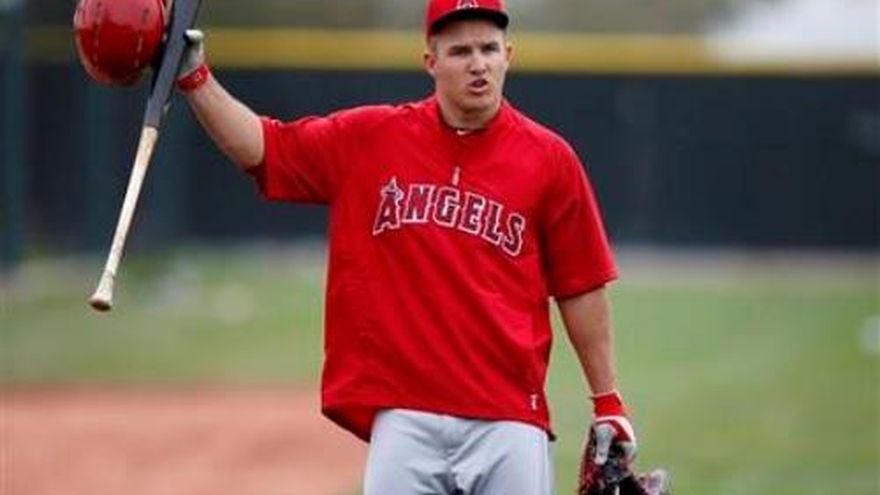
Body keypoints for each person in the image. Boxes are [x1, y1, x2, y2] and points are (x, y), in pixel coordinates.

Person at [177, 0, 637, 493]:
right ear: (430, 61)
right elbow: (263, 148)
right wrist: (195, 77)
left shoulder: (550, 159)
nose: (478, 64)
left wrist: (607, 400)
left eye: (488, 49)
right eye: (460, 51)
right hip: (405, 417)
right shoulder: (373, 139)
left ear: (509, 55)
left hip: (508, 417)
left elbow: (581, 284)